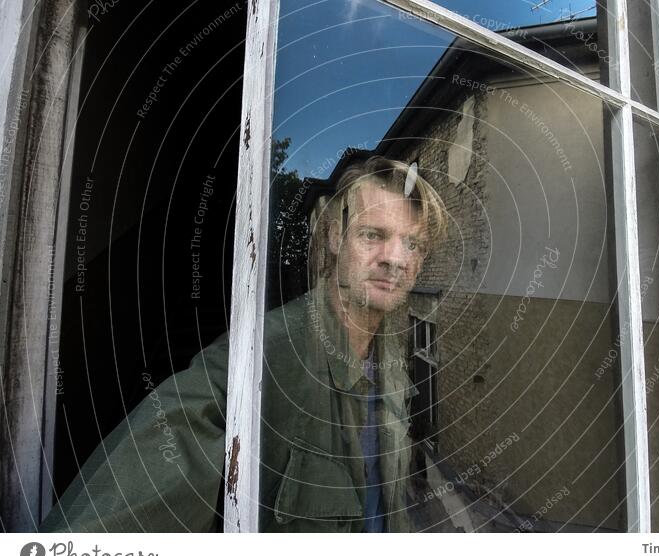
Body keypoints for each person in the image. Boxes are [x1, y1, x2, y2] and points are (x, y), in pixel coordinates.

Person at [40, 155, 446, 533]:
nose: (396, 258)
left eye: (412, 244)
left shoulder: (392, 359)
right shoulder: (263, 356)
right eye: (374, 234)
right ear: (337, 236)